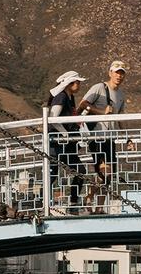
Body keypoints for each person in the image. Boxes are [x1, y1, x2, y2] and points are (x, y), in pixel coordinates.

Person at [77, 60, 131, 205]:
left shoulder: (120, 94)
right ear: (110, 73)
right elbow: (83, 104)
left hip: (110, 138)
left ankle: (98, 205)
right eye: (116, 72)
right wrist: (102, 112)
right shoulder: (99, 87)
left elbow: (120, 118)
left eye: (122, 73)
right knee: (104, 172)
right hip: (97, 137)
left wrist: (128, 138)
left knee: (109, 174)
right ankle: (89, 198)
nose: (119, 76)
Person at [47, 70, 86, 210]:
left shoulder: (70, 98)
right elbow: (53, 119)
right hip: (57, 143)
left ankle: (73, 202)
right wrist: (65, 134)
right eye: (77, 82)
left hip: (66, 144)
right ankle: (42, 203)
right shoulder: (61, 97)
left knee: (80, 170)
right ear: (70, 84)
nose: (79, 84)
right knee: (52, 174)